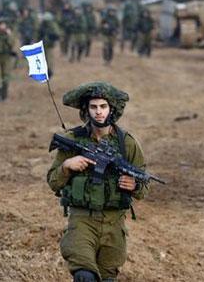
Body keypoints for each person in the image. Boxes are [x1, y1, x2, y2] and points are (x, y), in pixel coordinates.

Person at [47, 82, 148, 282]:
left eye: (103, 107)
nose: (98, 112)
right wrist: (67, 166)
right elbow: (53, 182)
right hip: (82, 220)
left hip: (114, 224)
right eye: (93, 107)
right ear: (86, 110)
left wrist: (134, 185)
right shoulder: (73, 140)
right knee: (85, 276)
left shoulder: (126, 143)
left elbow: (143, 187)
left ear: (111, 110)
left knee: (107, 278)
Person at [0, 16, 17, 101]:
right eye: (0, 24)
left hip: (6, 58)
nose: (2, 26)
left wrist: (9, 35)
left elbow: (12, 44)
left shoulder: (9, 34)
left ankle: (4, 96)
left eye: (3, 24)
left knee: (6, 77)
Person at [39, 12, 60, 78]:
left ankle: (49, 72)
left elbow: (57, 35)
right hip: (43, 44)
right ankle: (46, 71)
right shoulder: (42, 26)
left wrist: (51, 36)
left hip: (49, 45)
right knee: (44, 58)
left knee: (49, 59)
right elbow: (38, 34)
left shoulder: (53, 26)